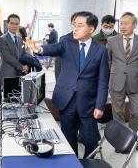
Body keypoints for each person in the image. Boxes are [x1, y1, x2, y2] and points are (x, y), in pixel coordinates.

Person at [27, 11, 109, 158]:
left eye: (80, 26)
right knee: (68, 138)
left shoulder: (101, 50)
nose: (75, 29)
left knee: (90, 140)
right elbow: (53, 48)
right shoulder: (66, 42)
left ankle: (88, 162)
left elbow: (103, 81)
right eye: (74, 25)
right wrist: (38, 49)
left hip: (88, 103)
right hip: (67, 100)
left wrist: (100, 105)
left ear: (91, 29)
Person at [107, 12, 138, 152]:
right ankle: (120, 141)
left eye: (126, 23)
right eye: (121, 23)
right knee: (117, 114)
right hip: (116, 82)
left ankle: (132, 139)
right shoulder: (112, 41)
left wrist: (134, 71)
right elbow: (108, 60)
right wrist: (115, 72)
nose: (123, 26)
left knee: (137, 113)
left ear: (135, 25)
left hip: (135, 83)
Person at [0, 14, 29, 98]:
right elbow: (7, 57)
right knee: (9, 104)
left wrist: (28, 64)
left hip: (19, 74)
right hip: (9, 74)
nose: (14, 26)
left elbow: (23, 55)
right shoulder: (2, 39)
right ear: (7, 24)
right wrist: (22, 67)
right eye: (12, 23)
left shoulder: (19, 39)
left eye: (16, 24)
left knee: (18, 101)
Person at [54, 13, 76, 79]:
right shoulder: (64, 40)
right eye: (75, 23)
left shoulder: (92, 42)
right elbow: (59, 64)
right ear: (72, 24)